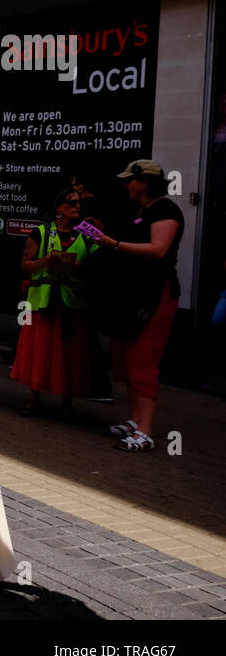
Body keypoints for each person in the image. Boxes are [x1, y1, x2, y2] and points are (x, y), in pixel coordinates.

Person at [93, 160, 184, 452]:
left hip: (156, 296)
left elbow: (158, 250)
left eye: (130, 181)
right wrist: (103, 236)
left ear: (144, 181)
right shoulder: (141, 211)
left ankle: (145, 431)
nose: (126, 185)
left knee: (144, 361)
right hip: (133, 297)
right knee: (129, 360)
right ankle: (135, 421)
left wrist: (114, 244)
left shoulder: (166, 210)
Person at [9, 187, 98, 417]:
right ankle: (34, 398)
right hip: (42, 303)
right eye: (71, 203)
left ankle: (68, 402)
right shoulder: (41, 232)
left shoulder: (88, 234)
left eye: (79, 203)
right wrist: (46, 261)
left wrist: (78, 266)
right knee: (40, 350)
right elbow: (24, 265)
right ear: (58, 208)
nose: (77, 206)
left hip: (73, 303)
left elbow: (100, 266)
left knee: (70, 353)